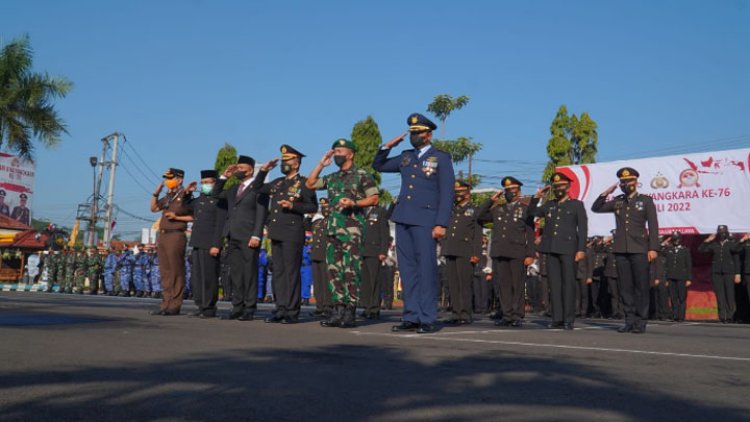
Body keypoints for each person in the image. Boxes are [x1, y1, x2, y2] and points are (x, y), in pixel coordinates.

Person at [372, 113, 455, 334]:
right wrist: (386, 147)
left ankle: (427, 317)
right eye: (412, 133)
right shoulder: (406, 157)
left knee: (426, 269)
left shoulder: (441, 158)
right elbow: (378, 166)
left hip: (427, 220)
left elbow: (447, 193)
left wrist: (441, 223)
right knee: (407, 270)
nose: (414, 137)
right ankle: (411, 316)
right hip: (404, 218)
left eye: (418, 133)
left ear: (428, 135)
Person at [306, 138, 379, 328]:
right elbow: (310, 183)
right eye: (334, 151)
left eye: (340, 151)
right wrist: (322, 164)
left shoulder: (362, 175)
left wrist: (354, 203)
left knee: (351, 271)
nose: (336, 154)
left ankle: (350, 311)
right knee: (334, 271)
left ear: (350, 154)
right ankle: (337, 310)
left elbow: (374, 198)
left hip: (351, 230)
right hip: (332, 230)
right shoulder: (332, 178)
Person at [251, 145, 318, 324]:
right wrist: (264, 171)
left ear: (296, 163)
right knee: (278, 272)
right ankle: (280, 308)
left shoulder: (304, 183)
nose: (284, 163)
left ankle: (291, 310)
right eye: (283, 160)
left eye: (288, 160)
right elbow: (256, 188)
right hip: (276, 232)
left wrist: (293, 206)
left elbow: (313, 207)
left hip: (292, 232)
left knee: (291, 272)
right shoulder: (278, 182)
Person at [592, 167, 659, 334]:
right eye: (623, 182)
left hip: (639, 249)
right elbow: (596, 208)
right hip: (621, 249)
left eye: (629, 181)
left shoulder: (646, 201)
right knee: (626, 288)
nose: (626, 184)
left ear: (636, 182)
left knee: (641, 287)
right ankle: (629, 321)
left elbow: (653, 226)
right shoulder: (618, 201)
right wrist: (606, 192)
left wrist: (653, 248)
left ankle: (640, 322)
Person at [528, 172, 588, 330]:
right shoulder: (549, 205)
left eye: (561, 185)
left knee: (568, 284)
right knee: (554, 285)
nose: (558, 188)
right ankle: (557, 318)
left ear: (568, 187)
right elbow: (532, 213)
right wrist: (536, 197)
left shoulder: (576, 205)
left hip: (569, 249)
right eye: (555, 186)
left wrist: (581, 249)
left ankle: (569, 319)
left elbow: (582, 229)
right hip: (551, 249)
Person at [215, 156, 268, 321]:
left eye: (241, 167)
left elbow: (261, 212)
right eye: (236, 167)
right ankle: (237, 307)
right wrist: (224, 177)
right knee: (236, 273)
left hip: (249, 236)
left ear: (250, 170)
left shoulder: (259, 187)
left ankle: (249, 308)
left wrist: (256, 235)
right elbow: (215, 193)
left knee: (249, 273)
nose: (238, 170)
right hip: (232, 235)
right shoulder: (233, 189)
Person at [478, 177, 535, 328]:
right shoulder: (498, 209)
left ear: (519, 191)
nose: (510, 193)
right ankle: (507, 314)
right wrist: (490, 201)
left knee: (517, 285)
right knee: (503, 285)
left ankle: (517, 315)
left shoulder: (525, 209)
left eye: (513, 190)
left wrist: (530, 254)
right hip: (500, 251)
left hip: (517, 251)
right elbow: (478, 215)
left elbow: (530, 232)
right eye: (507, 190)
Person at [149, 168, 195, 316]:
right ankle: (166, 303)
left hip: (176, 234)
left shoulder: (185, 195)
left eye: (171, 178)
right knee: (165, 271)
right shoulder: (168, 196)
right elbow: (154, 208)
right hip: (163, 235)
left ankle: (175, 304)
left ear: (179, 179)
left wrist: (176, 217)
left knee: (176, 270)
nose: (168, 181)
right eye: (167, 178)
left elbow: (193, 216)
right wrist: (156, 193)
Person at [186, 169, 228, 318]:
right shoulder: (200, 199)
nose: (205, 185)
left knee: (209, 277)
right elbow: (186, 206)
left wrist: (217, 244)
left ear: (215, 183)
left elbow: (220, 224)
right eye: (203, 183)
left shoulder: (219, 200)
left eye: (208, 182)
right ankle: (200, 305)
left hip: (210, 243)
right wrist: (188, 192)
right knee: (197, 277)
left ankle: (209, 307)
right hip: (197, 242)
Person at [440, 180, 483, 325]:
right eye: (456, 192)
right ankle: (456, 313)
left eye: (461, 192)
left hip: (466, 251)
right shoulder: (451, 209)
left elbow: (477, 234)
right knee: (452, 283)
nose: (458, 194)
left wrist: (476, 253)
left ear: (468, 193)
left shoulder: (474, 210)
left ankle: (465, 314)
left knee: (464, 284)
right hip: (450, 249)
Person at [698, 225, 741, 323]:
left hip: (729, 272)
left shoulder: (732, 244)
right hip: (716, 273)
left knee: (729, 295)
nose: (722, 234)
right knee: (720, 295)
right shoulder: (714, 244)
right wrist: (708, 240)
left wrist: (737, 273)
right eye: (720, 233)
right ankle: (722, 316)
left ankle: (730, 316)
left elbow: (736, 259)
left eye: (723, 232)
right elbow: (701, 250)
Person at [360, 199, 390, 320]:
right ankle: (366, 307)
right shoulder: (362, 211)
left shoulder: (380, 211)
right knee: (365, 282)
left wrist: (383, 251)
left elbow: (384, 232)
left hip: (374, 251)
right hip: (362, 251)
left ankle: (374, 309)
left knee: (374, 281)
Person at [663, 231, 693, 322]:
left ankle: (681, 316)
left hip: (682, 277)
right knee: (673, 297)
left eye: (677, 239)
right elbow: (665, 264)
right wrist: (665, 243)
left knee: (682, 297)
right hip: (671, 277)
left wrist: (689, 278)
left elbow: (688, 265)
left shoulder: (685, 250)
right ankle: (675, 315)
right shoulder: (669, 250)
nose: (675, 241)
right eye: (674, 239)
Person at [310, 198, 332, 317]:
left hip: (326, 255)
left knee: (325, 282)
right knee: (317, 282)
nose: (325, 209)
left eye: (327, 206)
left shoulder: (333, 222)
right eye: (323, 207)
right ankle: (319, 306)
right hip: (316, 255)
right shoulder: (317, 222)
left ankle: (327, 306)